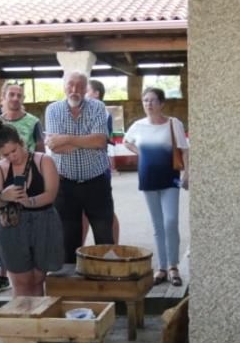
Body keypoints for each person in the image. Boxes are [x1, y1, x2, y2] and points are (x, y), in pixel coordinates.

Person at [0, 81, 43, 296]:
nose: (15, 98)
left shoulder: (33, 121)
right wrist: (8, 145)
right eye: (11, 94)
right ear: (3, 97)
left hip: (28, 178)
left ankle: (30, 271)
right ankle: (0, 273)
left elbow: (40, 148)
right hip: (0, 175)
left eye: (19, 95)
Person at [0, 118, 64, 296]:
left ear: (21, 142)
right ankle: (22, 322)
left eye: (14, 150)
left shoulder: (43, 160)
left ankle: (36, 321)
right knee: (21, 282)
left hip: (43, 224)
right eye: (6, 154)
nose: (12, 157)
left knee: (37, 280)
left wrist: (30, 202)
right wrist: (3, 196)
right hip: (13, 228)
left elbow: (51, 194)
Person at [45, 71, 115, 264]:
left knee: (104, 237)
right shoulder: (53, 109)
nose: (74, 90)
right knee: (68, 240)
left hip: (96, 183)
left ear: (86, 89)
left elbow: (100, 141)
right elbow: (55, 147)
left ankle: (107, 283)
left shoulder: (98, 107)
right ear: (64, 86)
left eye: (80, 86)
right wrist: (86, 140)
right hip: (65, 185)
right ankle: (72, 287)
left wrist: (66, 138)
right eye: (70, 85)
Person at [123, 86, 189, 286]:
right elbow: (127, 141)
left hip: (170, 178)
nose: (148, 104)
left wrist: (188, 173)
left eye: (152, 100)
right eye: (145, 100)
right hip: (148, 178)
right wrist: (141, 153)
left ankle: (173, 266)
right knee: (157, 225)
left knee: (170, 221)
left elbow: (184, 150)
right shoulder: (137, 126)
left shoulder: (173, 123)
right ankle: (161, 267)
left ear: (161, 103)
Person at [84, 78, 120, 244]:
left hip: (98, 166)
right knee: (82, 211)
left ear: (96, 93)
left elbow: (98, 140)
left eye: (87, 90)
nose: (83, 94)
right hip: (84, 166)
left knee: (105, 211)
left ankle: (114, 247)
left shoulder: (102, 112)